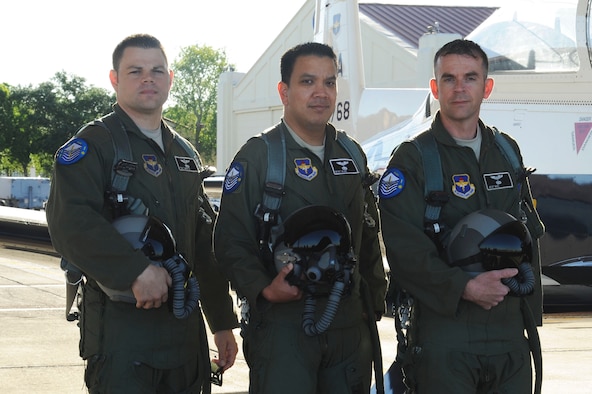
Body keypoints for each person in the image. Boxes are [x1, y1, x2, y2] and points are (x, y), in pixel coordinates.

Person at [45, 34, 239, 393]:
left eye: (156, 70)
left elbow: (203, 242)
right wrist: (134, 270)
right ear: (115, 79)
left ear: (170, 79)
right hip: (122, 337)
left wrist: (221, 321)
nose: (148, 78)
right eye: (135, 71)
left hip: (184, 336)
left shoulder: (184, 154)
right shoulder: (94, 145)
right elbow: (69, 222)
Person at [213, 42, 387, 394]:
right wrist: (263, 288)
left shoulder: (351, 155)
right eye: (308, 82)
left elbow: (367, 235)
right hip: (283, 328)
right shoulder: (259, 157)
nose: (321, 93)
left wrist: (372, 304)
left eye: (329, 82)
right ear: (284, 91)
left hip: (347, 326)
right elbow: (229, 239)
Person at [378, 39, 545, 393]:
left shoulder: (507, 152)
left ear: (487, 87)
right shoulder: (413, 159)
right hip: (446, 335)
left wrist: (531, 315)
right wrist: (464, 287)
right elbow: (403, 249)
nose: (460, 88)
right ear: (435, 88)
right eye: (449, 79)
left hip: (508, 333)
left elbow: (527, 233)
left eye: (470, 78)